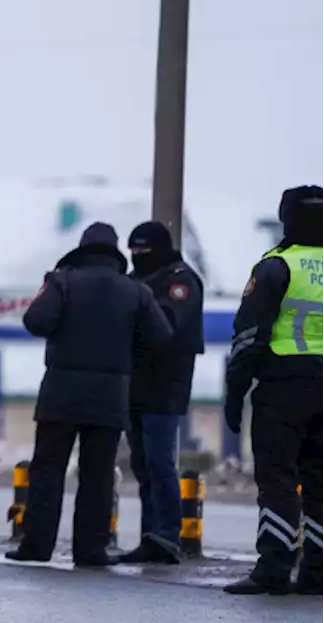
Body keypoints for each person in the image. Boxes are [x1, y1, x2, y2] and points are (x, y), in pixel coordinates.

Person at [7, 222, 173, 566]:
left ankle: (37, 546)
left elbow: (35, 321)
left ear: (82, 251)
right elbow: (161, 338)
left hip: (60, 393)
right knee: (97, 474)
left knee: (48, 469)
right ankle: (91, 550)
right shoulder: (136, 291)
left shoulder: (62, 281)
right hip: (110, 396)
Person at [222, 185, 324, 596]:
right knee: (321, 480)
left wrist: (235, 389)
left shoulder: (276, 267)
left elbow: (249, 335)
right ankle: (317, 572)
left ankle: (275, 567)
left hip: (285, 387)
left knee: (279, 478)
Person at [116, 221, 205, 565]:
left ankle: (167, 535)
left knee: (159, 461)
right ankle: (151, 534)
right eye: (133, 252)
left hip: (166, 385)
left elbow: (168, 327)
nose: (138, 258)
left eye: (143, 252)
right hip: (135, 384)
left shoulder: (179, 281)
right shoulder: (137, 281)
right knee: (142, 463)